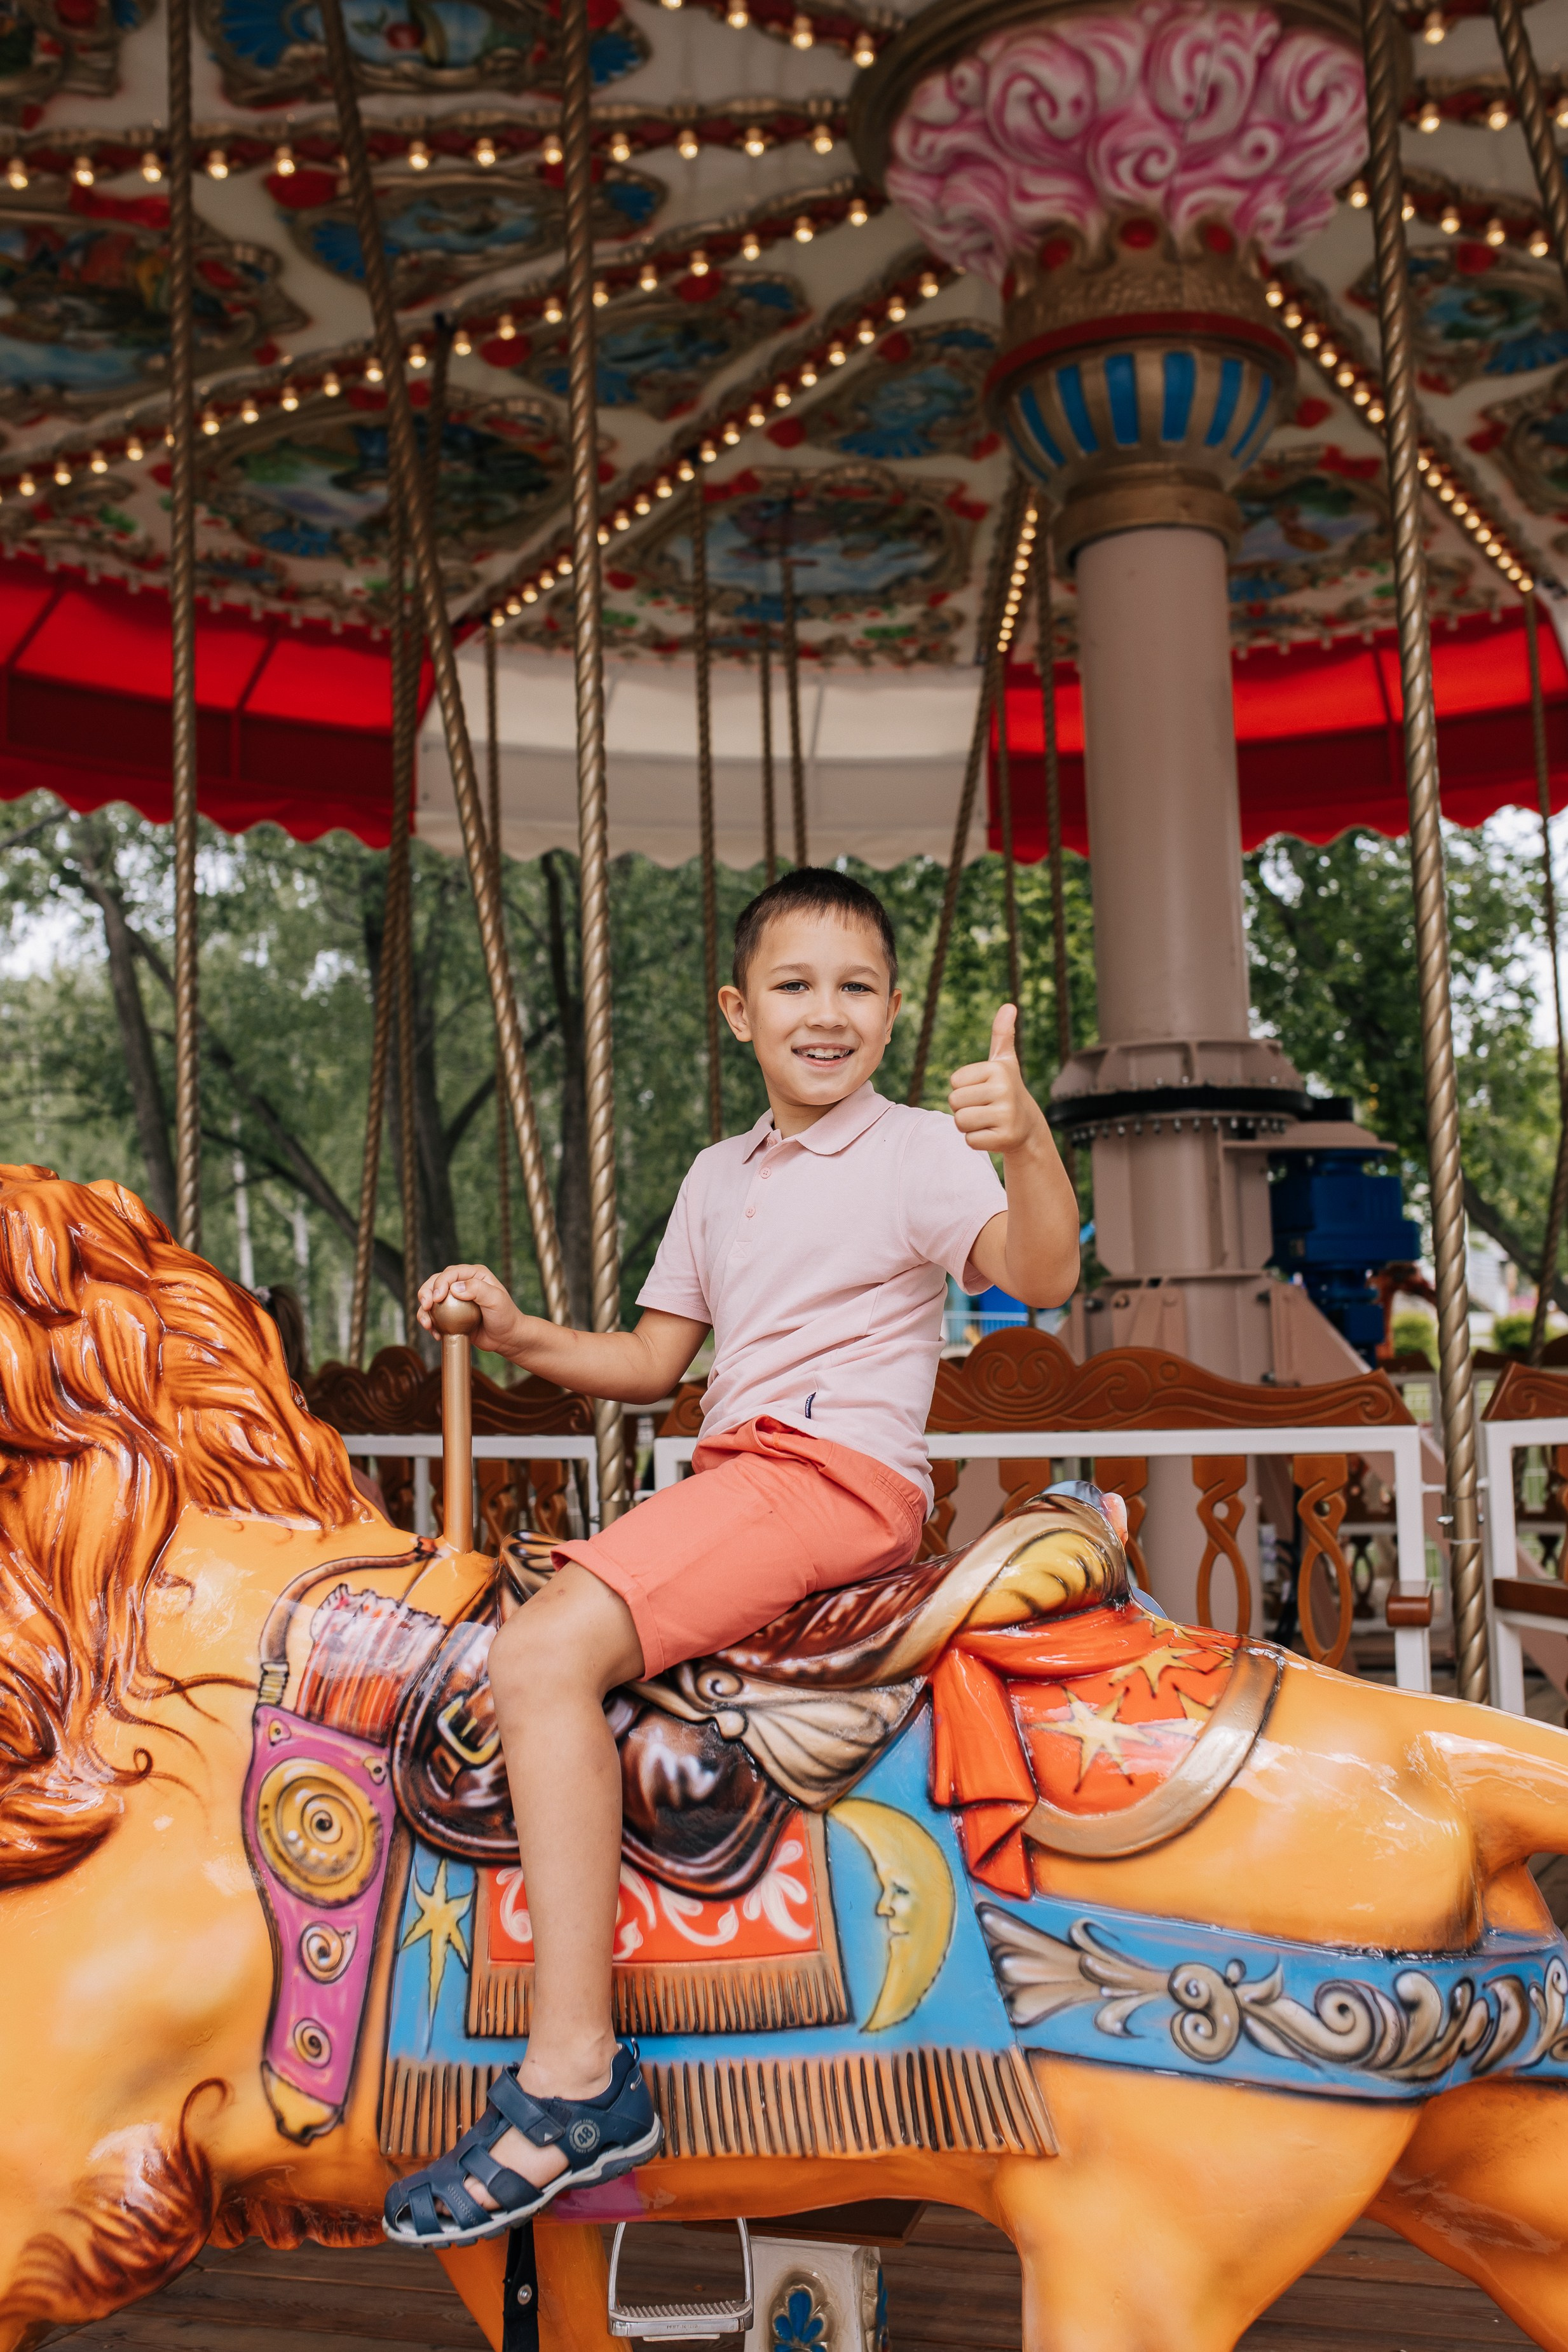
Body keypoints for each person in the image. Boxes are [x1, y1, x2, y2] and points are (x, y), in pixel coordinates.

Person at [383, 867, 1081, 2248]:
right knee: (502, 1629)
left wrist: (1027, 1144)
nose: (827, 1013)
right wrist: (520, 1328)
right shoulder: (716, 1175)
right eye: (794, 984)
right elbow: (649, 1363)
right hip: (732, 1468)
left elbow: (1039, 1271)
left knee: (539, 1653)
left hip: (827, 1477)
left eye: (857, 986)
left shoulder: (915, 1149)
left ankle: (575, 2076)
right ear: (737, 1010)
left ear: (890, 1010)